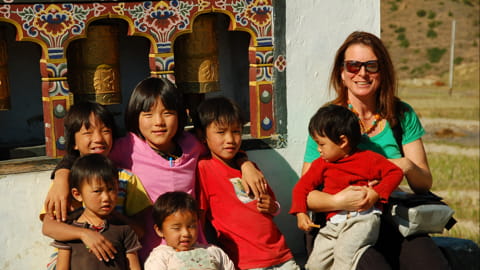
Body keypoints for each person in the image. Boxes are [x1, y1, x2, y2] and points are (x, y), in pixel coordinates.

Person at [303, 31, 450, 269]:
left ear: (383, 72)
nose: (362, 73)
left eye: (371, 65)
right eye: (353, 66)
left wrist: (406, 165)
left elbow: (423, 183)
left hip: (393, 217)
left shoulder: (400, 114)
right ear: (341, 73)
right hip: (341, 223)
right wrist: (341, 199)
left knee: (432, 264)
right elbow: (307, 193)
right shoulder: (327, 121)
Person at [108, 77, 267, 262]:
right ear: (135, 117)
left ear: (180, 114)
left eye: (167, 113)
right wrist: (64, 172)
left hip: (193, 250)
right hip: (152, 254)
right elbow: (90, 163)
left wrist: (244, 163)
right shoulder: (128, 147)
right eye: (148, 114)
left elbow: (223, 148)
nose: (158, 122)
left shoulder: (191, 145)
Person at [290, 104, 403, 270]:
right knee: (315, 264)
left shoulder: (368, 159)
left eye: (321, 144)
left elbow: (395, 173)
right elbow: (301, 188)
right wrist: (300, 213)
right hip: (333, 224)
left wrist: (376, 194)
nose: (318, 149)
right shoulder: (320, 165)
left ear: (342, 141)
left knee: (344, 258)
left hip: (362, 220)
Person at [195, 96, 300, 270]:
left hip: (280, 253)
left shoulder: (251, 168)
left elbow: (273, 206)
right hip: (245, 262)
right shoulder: (204, 168)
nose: (230, 139)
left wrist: (272, 206)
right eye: (221, 132)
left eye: (236, 131)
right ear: (202, 135)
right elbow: (200, 216)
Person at [41, 101, 152, 263]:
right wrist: (85, 234)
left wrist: (113, 215)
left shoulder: (127, 179)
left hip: (114, 258)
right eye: (88, 133)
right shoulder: (66, 183)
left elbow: (140, 230)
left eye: (105, 131)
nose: (98, 138)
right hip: (73, 259)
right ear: (74, 143)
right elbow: (48, 227)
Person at [51, 153, 142, 270]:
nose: (106, 198)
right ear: (77, 194)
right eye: (97, 191)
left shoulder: (124, 229)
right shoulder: (68, 232)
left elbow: (134, 267)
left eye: (111, 189)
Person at [145, 191, 235, 270]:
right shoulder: (160, 257)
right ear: (160, 230)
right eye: (177, 228)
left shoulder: (213, 252)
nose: (186, 233)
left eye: (191, 226)